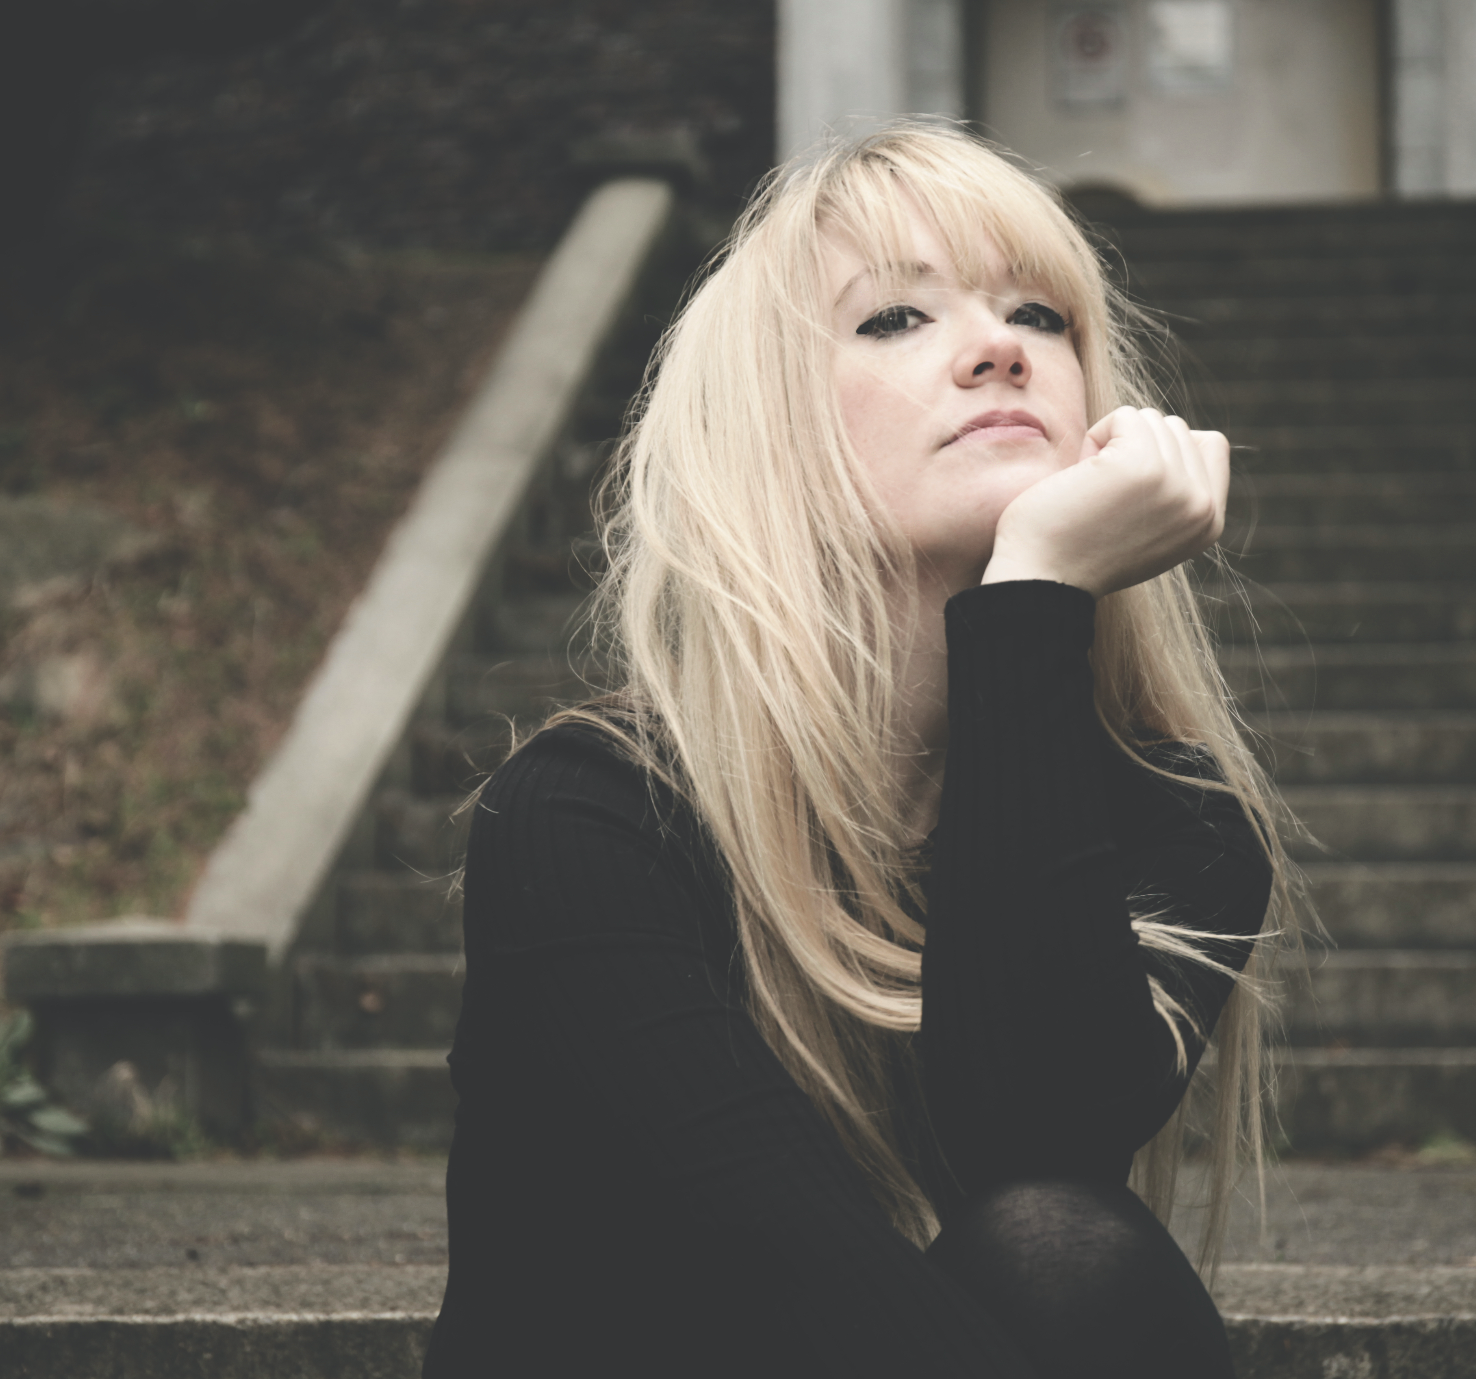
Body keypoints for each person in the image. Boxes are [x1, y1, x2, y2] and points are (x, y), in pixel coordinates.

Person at [423, 124, 1295, 1378]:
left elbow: (1033, 1145)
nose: (999, 349)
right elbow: (792, 1277)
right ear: (768, 428)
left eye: (1039, 317)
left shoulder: (1176, 821)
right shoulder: (592, 816)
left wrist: (1032, 599)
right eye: (894, 318)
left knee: (1064, 1250)